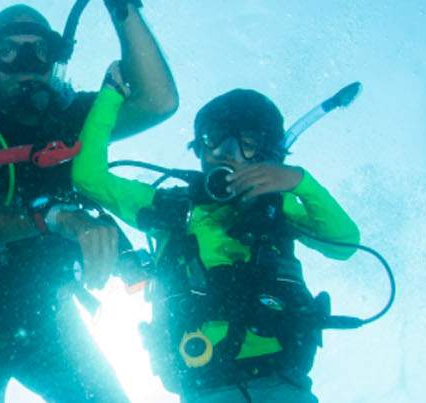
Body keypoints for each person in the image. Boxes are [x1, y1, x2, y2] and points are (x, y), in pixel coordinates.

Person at [0, 2, 177, 402]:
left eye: (40, 49)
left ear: (56, 57)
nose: (26, 62)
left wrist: (122, 8)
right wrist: (57, 217)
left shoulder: (68, 117)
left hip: (49, 320)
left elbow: (158, 101)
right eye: (9, 51)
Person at [71, 63, 361, 402]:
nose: (226, 153)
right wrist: (111, 93)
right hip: (203, 388)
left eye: (247, 143)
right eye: (214, 139)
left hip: (284, 384)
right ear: (199, 147)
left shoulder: (279, 208)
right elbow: (88, 176)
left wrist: (299, 181)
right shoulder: (169, 207)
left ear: (268, 153)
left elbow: (345, 245)